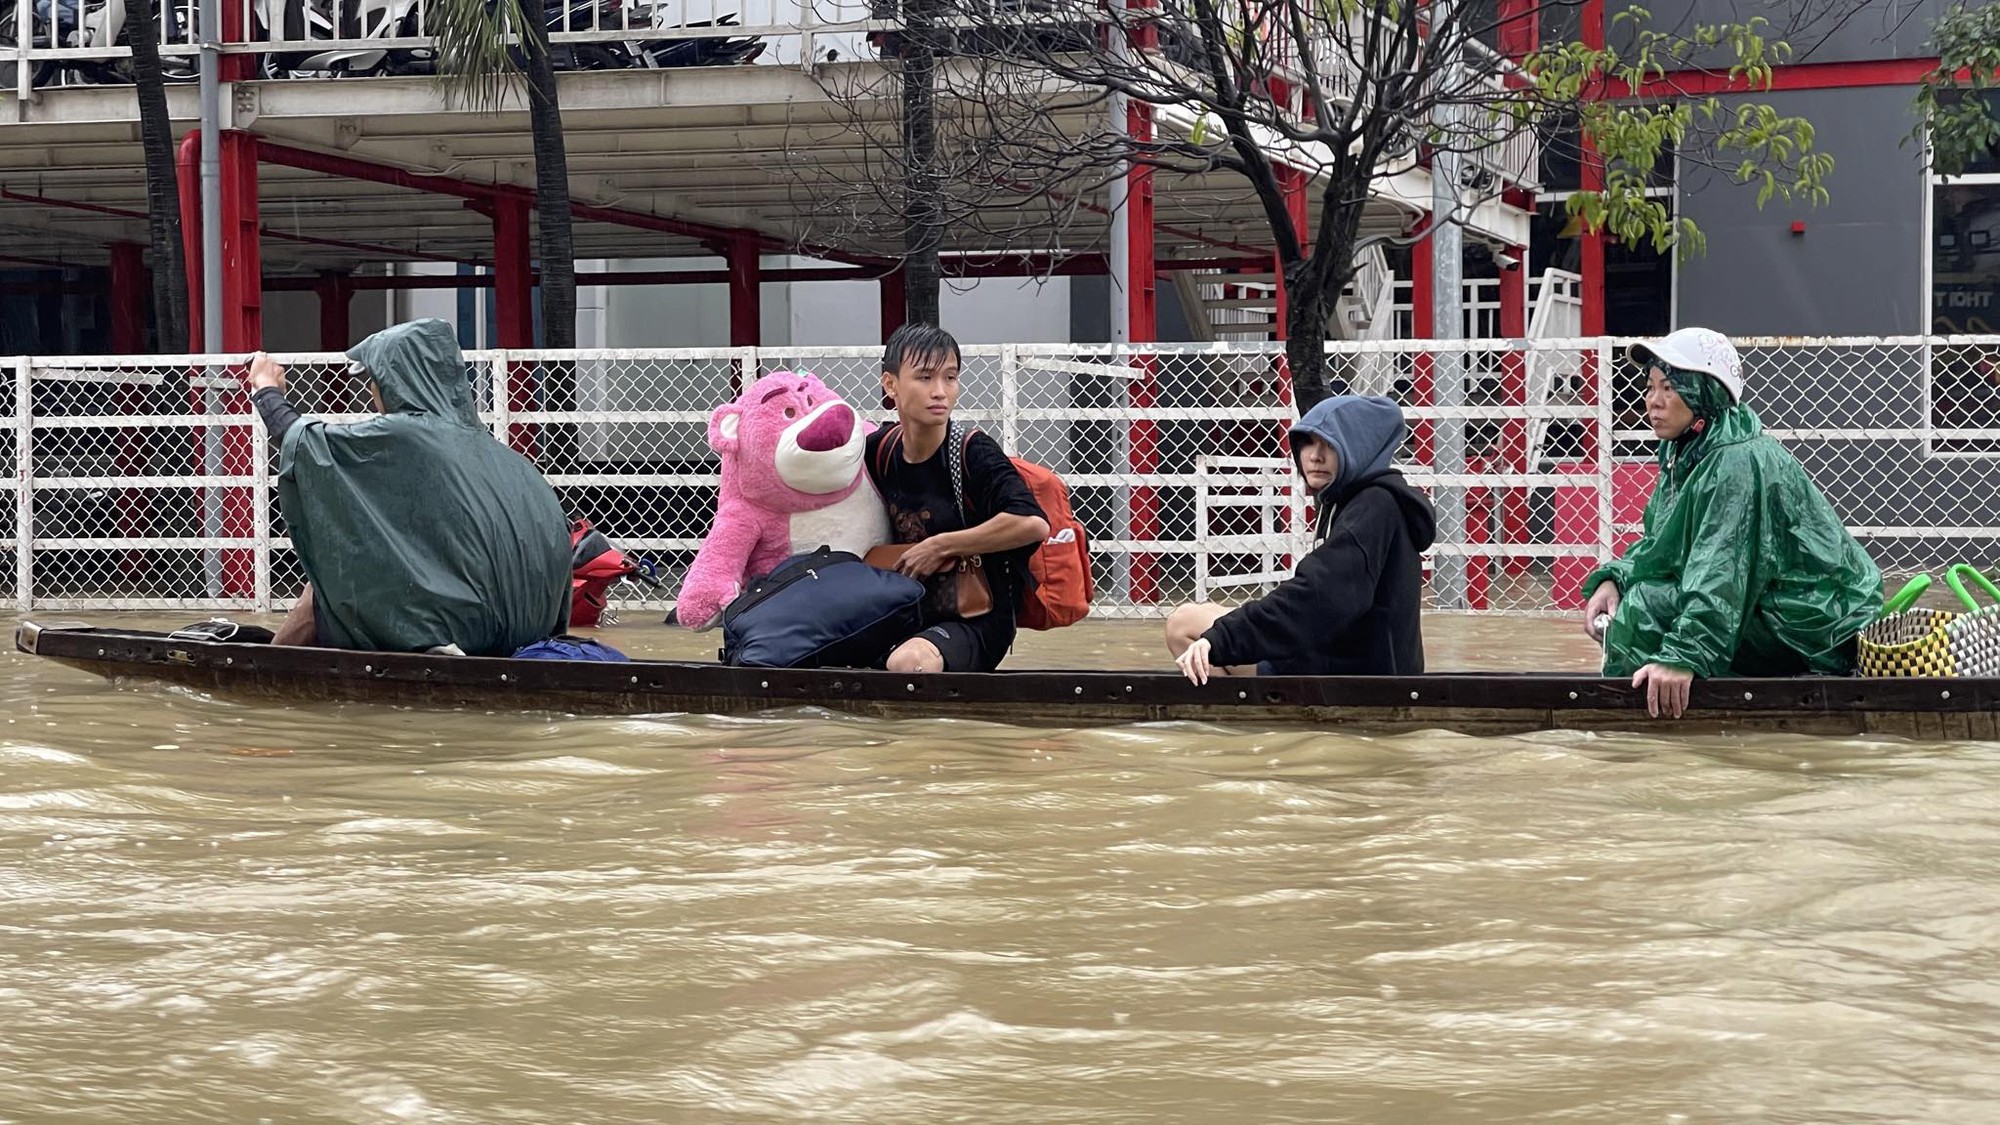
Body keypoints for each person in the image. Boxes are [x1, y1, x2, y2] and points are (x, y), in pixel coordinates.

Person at [1582, 327, 1883, 719]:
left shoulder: (1735, 461)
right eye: (1650, 386)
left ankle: (1634, 729)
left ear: (1703, 393)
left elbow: (1721, 571)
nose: (1653, 402)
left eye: (1670, 388)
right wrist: (1616, 577)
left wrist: (1683, 655)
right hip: (1776, 604)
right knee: (1640, 592)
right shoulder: (1688, 451)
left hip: (1815, 623)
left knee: (1646, 608)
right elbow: (1666, 545)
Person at [244, 319, 572, 656]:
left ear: (396, 382)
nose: (372, 394)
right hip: (529, 629)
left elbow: (304, 443)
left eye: (374, 382)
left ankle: (262, 673)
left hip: (462, 625)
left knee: (322, 589)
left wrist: (267, 390)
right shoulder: (506, 458)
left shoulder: (406, 437)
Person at [1166, 395, 1437, 683]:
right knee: (1197, 615)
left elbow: (1317, 596)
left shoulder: (1373, 506)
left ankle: (1243, 720)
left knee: (1183, 626)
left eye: (1330, 444)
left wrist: (1220, 639)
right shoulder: (1353, 500)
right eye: (1307, 442)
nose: (1314, 455)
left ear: (1360, 446)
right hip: (1353, 658)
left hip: (1349, 674)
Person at [865, 323, 1048, 673]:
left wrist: (942, 546)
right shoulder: (879, 450)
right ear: (891, 385)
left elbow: (1032, 523)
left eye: (950, 377)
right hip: (903, 608)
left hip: (974, 617)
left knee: (910, 662)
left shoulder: (972, 451)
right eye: (924, 377)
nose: (940, 391)